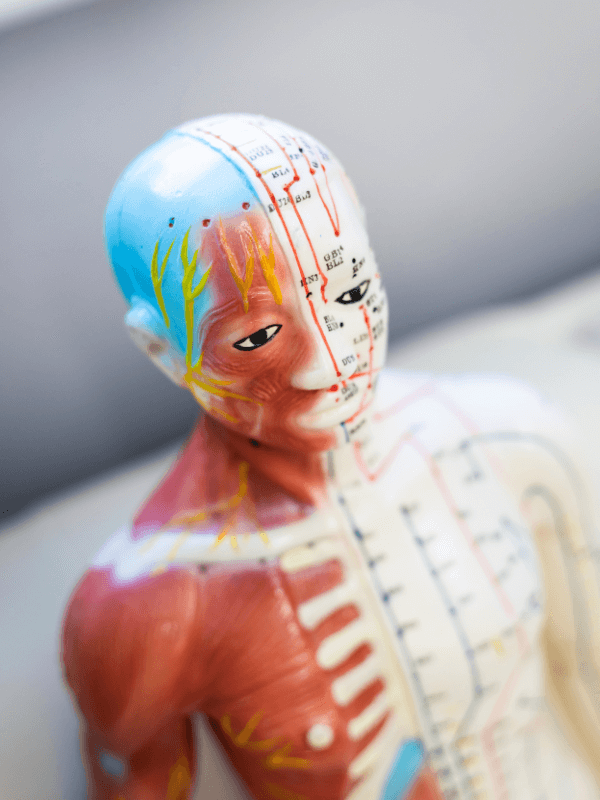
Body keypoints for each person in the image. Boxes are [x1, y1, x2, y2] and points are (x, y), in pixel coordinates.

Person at [62, 114, 600, 800]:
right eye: (257, 338)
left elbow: (589, 673)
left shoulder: (515, 439)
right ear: (162, 351)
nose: (328, 364)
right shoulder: (141, 608)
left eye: (350, 293)